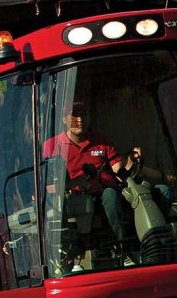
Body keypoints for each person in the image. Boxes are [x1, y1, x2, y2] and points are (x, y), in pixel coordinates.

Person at [44, 109, 142, 265]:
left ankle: (138, 246)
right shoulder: (52, 145)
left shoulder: (101, 141)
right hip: (76, 200)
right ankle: (120, 249)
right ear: (63, 119)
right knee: (110, 195)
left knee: (156, 192)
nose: (80, 119)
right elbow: (44, 187)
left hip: (105, 192)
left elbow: (119, 170)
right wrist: (72, 184)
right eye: (74, 115)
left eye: (83, 114)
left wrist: (131, 161)